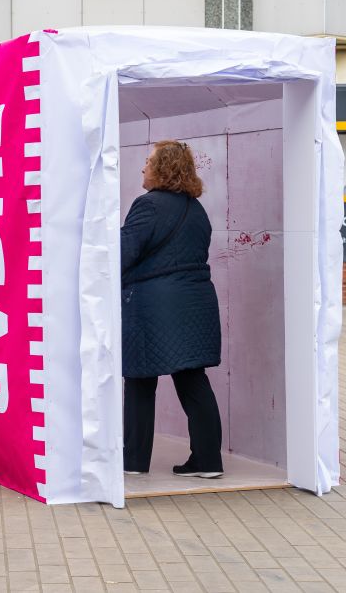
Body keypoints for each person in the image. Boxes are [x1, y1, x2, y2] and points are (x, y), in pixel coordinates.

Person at [121, 140, 223, 478]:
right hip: (196, 304)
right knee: (193, 379)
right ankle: (208, 461)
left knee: (139, 380)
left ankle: (134, 462)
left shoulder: (147, 205)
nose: (143, 167)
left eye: (148, 161)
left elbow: (123, 253)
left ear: (163, 168)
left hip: (154, 307)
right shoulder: (197, 210)